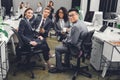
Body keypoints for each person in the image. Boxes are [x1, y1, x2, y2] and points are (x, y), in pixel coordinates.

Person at [48, 8, 88, 73]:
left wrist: (65, 41)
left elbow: (73, 42)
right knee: (64, 44)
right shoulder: (81, 23)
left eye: (72, 15)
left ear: (77, 15)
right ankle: (67, 64)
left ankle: (59, 68)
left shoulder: (76, 26)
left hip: (76, 49)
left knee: (57, 48)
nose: (70, 17)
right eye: (69, 15)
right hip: (82, 47)